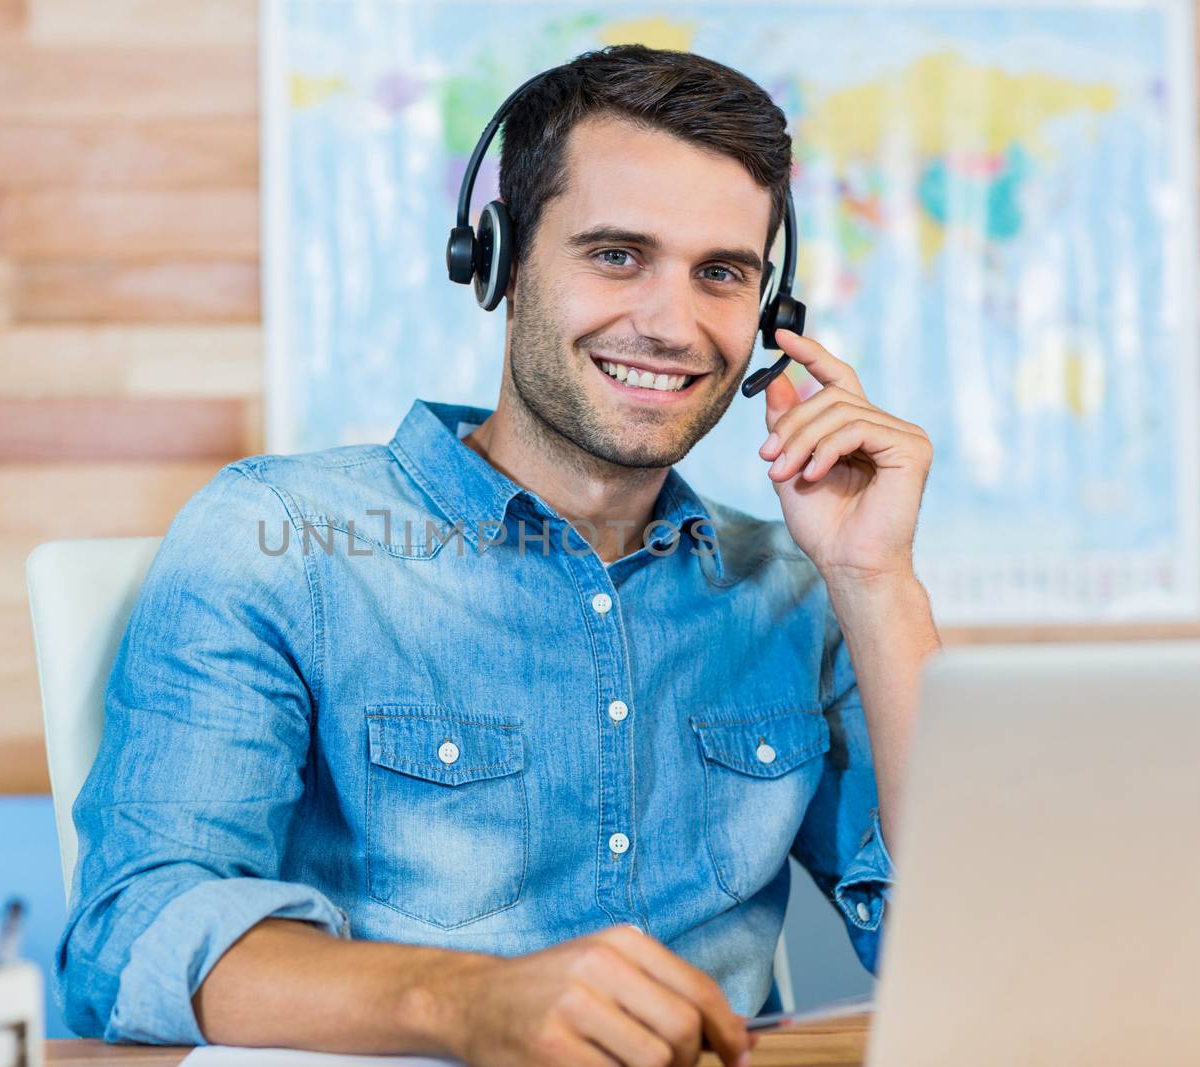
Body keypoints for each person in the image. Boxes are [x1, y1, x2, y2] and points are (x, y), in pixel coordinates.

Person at [58, 44, 941, 1067]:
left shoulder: (796, 586)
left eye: (720, 274)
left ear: (771, 315)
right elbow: (129, 940)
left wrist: (878, 579)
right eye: (616, 255)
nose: (670, 324)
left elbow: (971, 941)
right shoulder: (279, 540)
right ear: (498, 262)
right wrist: (469, 1003)